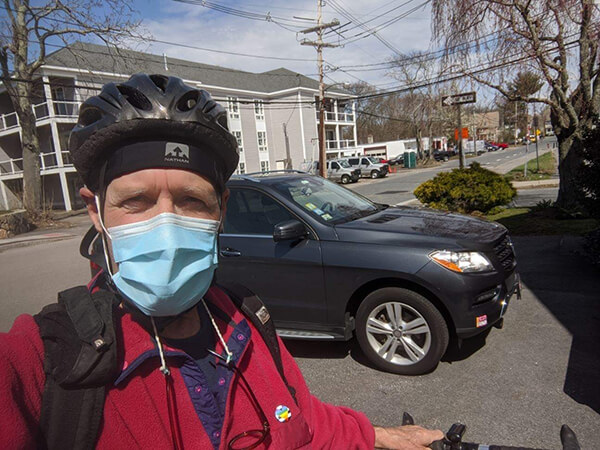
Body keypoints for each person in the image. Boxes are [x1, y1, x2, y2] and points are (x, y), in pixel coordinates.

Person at [0, 74, 443, 449]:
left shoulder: (245, 318)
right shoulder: (42, 359)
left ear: (221, 209)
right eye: (136, 201)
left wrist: (377, 436)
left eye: (192, 200)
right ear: (96, 212)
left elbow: (303, 423)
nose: (167, 226)